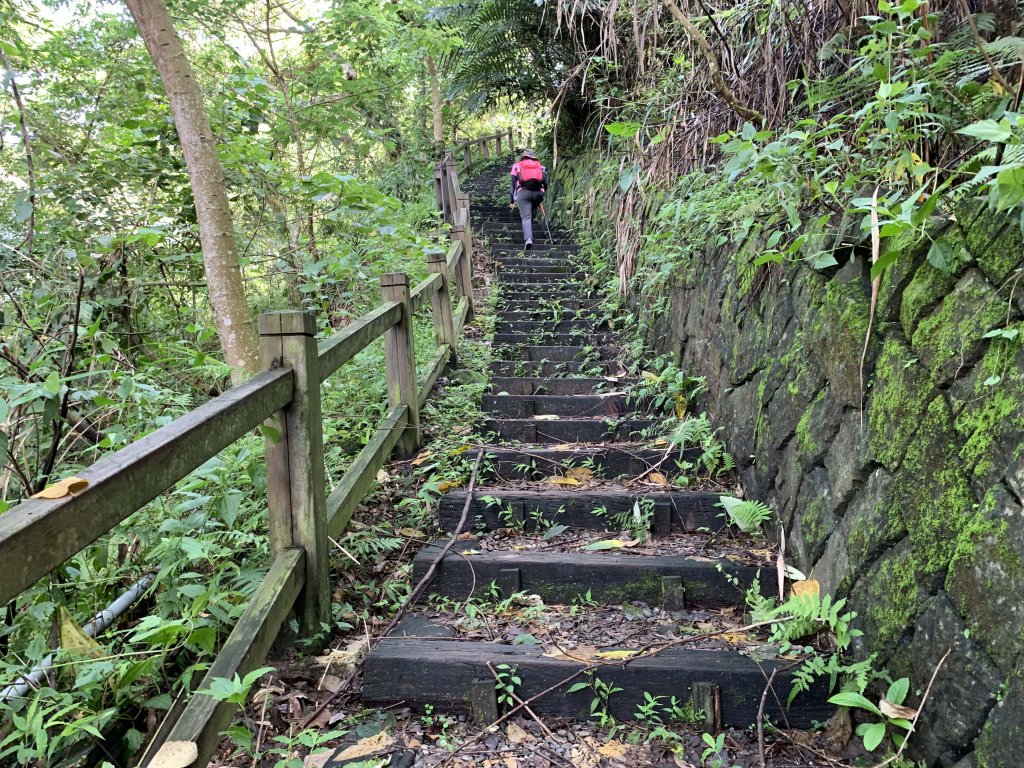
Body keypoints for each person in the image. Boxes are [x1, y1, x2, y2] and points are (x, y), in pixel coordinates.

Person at [509, 149, 547, 250]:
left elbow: (512, 185)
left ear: (523, 157)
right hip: (538, 193)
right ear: (534, 157)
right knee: (531, 209)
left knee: (526, 217)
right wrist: (542, 195)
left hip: (524, 193)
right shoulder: (540, 166)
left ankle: (529, 239)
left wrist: (511, 200)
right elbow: (545, 183)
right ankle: (532, 217)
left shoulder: (517, 166)